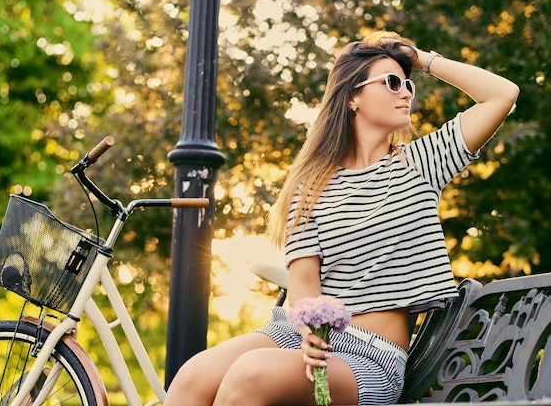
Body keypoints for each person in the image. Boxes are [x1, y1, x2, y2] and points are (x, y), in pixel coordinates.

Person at [163, 31, 519, 406]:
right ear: (353, 97)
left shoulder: (421, 163)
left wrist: (421, 58)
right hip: (297, 335)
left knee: (252, 374)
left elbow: (502, 94)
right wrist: (309, 331)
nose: (407, 93)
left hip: (370, 356)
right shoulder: (311, 182)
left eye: (408, 84)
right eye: (393, 82)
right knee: (193, 376)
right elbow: (304, 282)